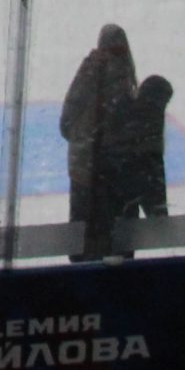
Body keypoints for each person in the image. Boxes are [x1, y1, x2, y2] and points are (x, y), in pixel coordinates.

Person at [60, 24, 137, 262]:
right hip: (118, 176)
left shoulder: (88, 73)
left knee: (83, 242)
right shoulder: (127, 79)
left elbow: (66, 123)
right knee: (119, 246)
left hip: (86, 173)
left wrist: (82, 141)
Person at [98, 75, 176, 248]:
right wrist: (158, 213)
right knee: (122, 245)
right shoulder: (148, 121)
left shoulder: (126, 110)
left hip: (112, 192)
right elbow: (150, 170)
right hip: (121, 194)